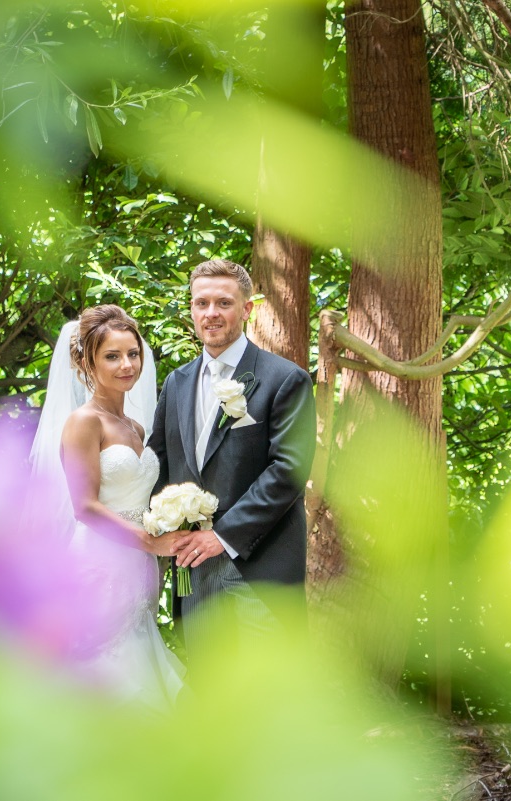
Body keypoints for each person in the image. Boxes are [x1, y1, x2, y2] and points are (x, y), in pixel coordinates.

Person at [148, 259, 316, 651]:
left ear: (246, 309)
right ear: (191, 308)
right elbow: (159, 464)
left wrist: (222, 536)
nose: (211, 313)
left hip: (261, 567)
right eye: (201, 303)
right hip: (195, 569)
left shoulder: (285, 379)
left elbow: (289, 470)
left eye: (223, 303)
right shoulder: (176, 383)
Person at [29, 305, 186, 712]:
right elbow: (84, 507)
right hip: (101, 558)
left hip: (137, 564)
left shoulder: (134, 427)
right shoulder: (84, 422)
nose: (127, 364)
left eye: (132, 353)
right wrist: (151, 543)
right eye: (112, 356)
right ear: (87, 362)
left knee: (139, 647)